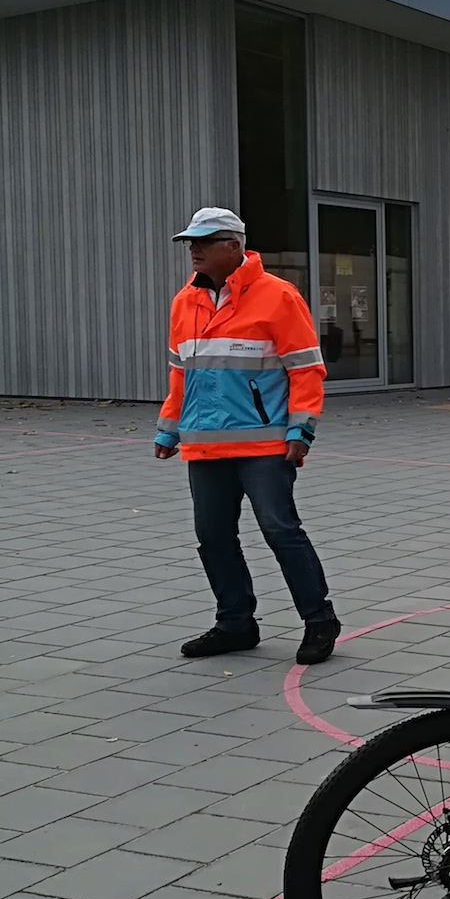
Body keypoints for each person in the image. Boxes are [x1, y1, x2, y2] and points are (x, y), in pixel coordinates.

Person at [153, 208, 340, 665]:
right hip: (204, 442)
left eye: (204, 241)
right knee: (212, 536)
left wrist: (301, 429)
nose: (194, 249)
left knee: (280, 530)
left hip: (264, 444)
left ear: (234, 245)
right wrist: (169, 428)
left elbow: (306, 369)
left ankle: (319, 620)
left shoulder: (278, 296)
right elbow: (181, 375)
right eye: (190, 242)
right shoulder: (185, 302)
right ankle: (235, 623)